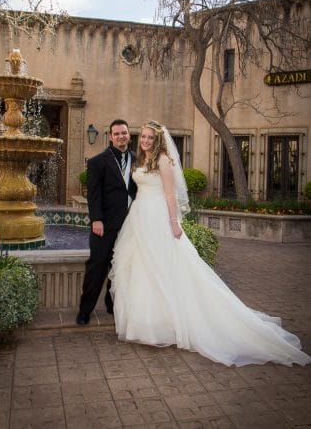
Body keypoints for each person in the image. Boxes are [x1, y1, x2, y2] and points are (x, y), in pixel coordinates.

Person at [109, 120, 311, 367]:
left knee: (161, 267)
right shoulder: (140, 160)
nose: (146, 141)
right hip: (139, 217)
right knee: (142, 268)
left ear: (159, 139)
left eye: (151, 137)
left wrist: (174, 223)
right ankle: (146, 324)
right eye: (144, 137)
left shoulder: (163, 160)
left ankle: (167, 325)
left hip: (157, 218)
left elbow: (171, 194)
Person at [76, 119, 137, 325]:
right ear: (111, 137)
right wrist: (97, 219)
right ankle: (85, 310)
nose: (121, 136)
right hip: (104, 224)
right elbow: (93, 195)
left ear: (129, 135)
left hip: (129, 225)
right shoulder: (97, 162)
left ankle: (112, 304)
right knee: (97, 266)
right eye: (117, 133)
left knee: (120, 265)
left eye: (124, 133)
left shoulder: (137, 160)